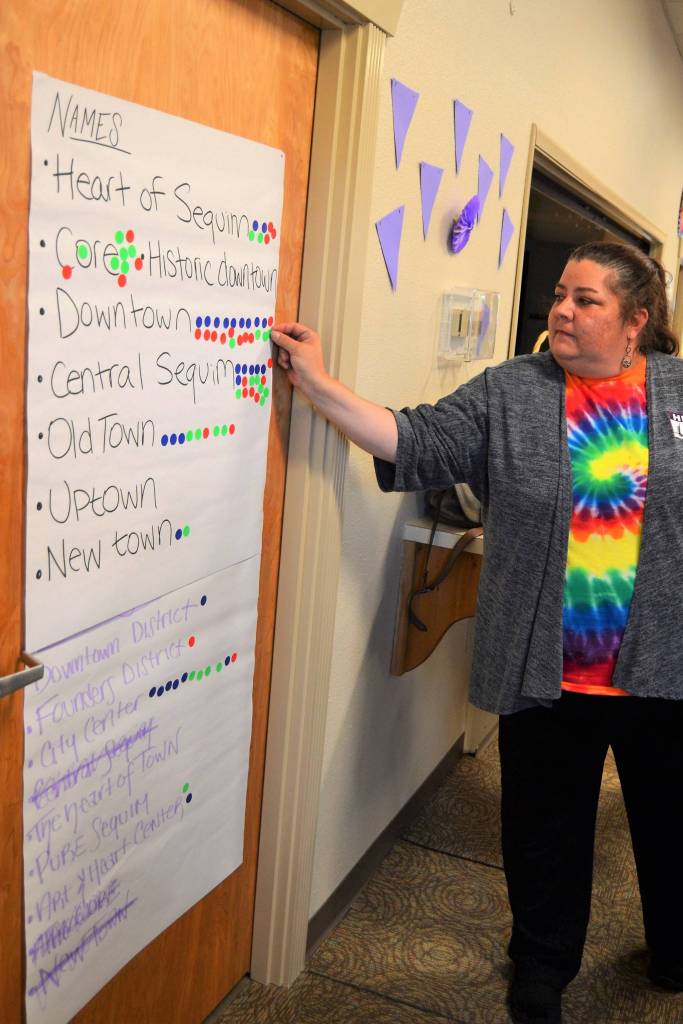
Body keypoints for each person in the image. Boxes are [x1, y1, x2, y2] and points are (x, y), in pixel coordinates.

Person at [271, 241, 683, 1024]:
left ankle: (674, 950)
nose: (561, 310)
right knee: (542, 831)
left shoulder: (676, 392)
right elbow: (415, 441)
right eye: (558, 295)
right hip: (543, 667)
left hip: (664, 666)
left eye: (585, 300)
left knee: (671, 824)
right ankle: (541, 965)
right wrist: (318, 384)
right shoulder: (511, 390)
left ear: (635, 320)